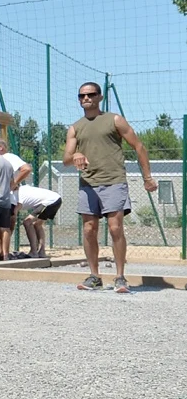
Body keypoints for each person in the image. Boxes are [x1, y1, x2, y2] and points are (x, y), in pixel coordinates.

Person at [64, 81, 157, 293]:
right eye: (82, 96)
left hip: (114, 181)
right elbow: (67, 159)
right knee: (89, 230)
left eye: (91, 94)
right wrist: (75, 155)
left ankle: (120, 277)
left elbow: (139, 146)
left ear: (100, 97)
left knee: (116, 228)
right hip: (88, 185)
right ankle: (94, 276)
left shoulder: (114, 120)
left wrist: (147, 177)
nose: (86, 98)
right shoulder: (75, 128)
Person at [0, 137, 32, 256]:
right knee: (3, 226)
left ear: (0, 147)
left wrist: (14, 182)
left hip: (8, 198)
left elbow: (26, 168)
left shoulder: (9, 157)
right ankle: (2, 252)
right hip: (6, 198)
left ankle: (2, 252)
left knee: (4, 225)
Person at [16, 185, 62, 258]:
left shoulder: (16, 195)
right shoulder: (19, 190)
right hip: (55, 198)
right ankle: (41, 252)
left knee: (27, 222)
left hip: (50, 201)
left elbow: (14, 213)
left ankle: (34, 252)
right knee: (37, 224)